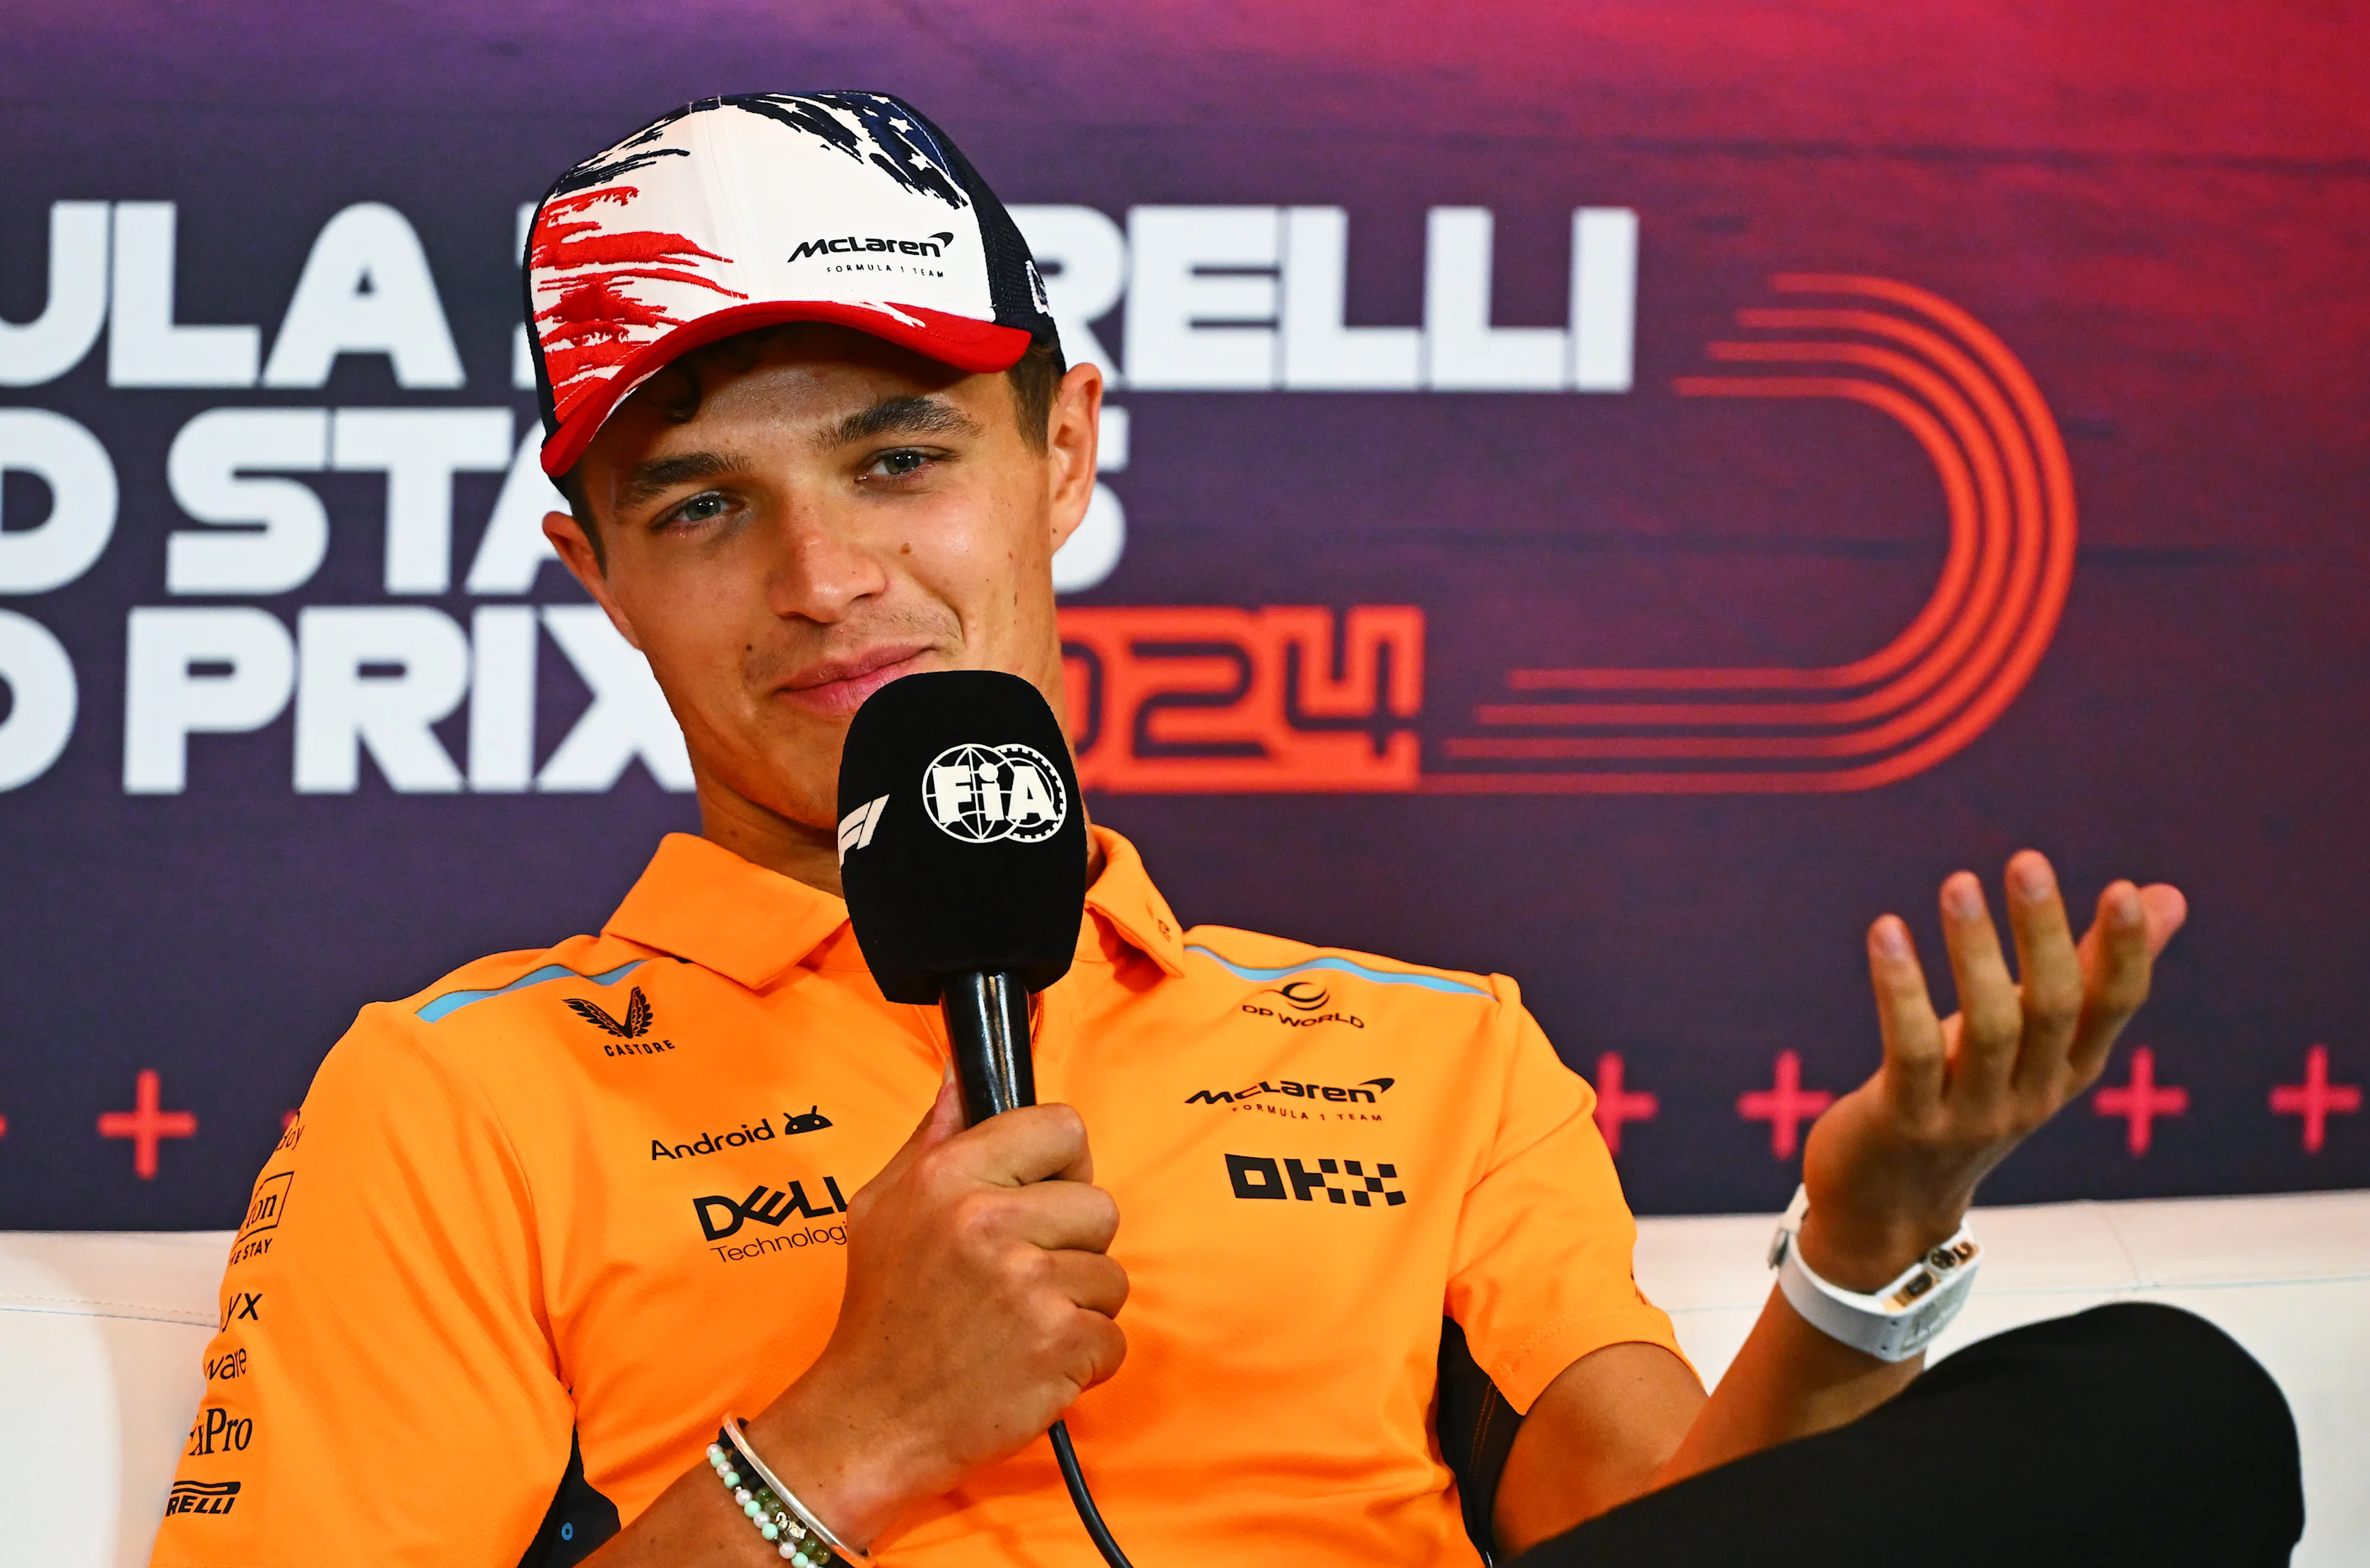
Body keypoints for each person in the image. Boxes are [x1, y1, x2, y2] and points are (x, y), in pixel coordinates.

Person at [150, 92, 2301, 1568]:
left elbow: (1673, 1534)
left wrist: (1853, 1257)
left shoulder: (1438, 1049)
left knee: (2171, 1407)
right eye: (706, 505)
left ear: (1061, 450)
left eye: (901, 460)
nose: (823, 579)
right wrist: (847, 1434)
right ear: (591, 570)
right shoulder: (451, 1093)